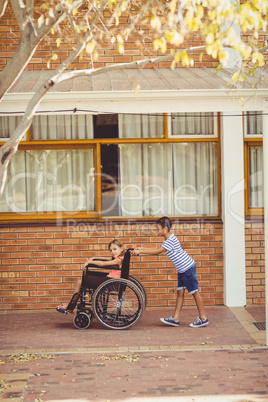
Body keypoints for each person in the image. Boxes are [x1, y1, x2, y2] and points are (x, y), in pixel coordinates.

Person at [132, 216, 209, 328]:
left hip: (187, 269)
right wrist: (140, 249)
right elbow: (157, 249)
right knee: (180, 293)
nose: (156, 231)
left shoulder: (170, 240)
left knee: (194, 292)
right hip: (182, 270)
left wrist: (141, 252)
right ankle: (175, 319)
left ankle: (203, 318)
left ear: (165, 229)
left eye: (158, 229)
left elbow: (157, 251)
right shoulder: (168, 239)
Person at [56, 239, 125, 314]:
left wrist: (89, 262)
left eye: (115, 249)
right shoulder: (119, 258)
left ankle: (70, 307)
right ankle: (71, 307)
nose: (113, 252)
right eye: (111, 250)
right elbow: (106, 259)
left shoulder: (119, 260)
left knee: (81, 282)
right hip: (110, 281)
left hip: (111, 283)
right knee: (81, 281)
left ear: (121, 248)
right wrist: (93, 258)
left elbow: (103, 264)